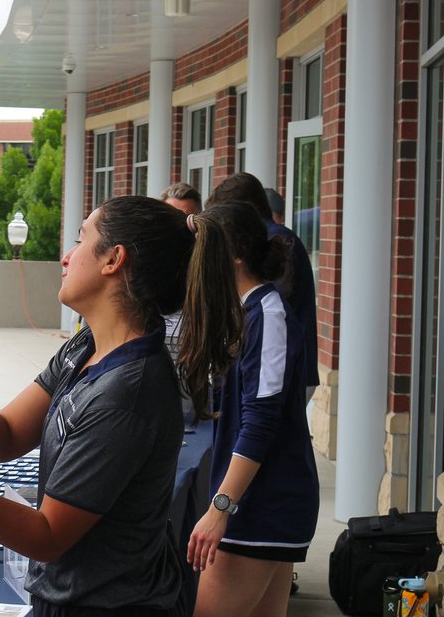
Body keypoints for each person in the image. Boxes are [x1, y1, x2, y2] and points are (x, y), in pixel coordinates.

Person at [0, 196, 243, 617]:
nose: (66, 257)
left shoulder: (127, 394)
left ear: (114, 259)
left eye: (80, 240)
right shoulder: (87, 346)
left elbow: (46, 536)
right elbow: (7, 435)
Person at [185, 203, 319, 617]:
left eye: (202, 248)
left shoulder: (268, 316)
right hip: (263, 504)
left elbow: (260, 424)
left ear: (235, 254)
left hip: (262, 506)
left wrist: (219, 509)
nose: (194, 260)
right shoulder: (250, 312)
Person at [207, 173, 318, 400]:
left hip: (283, 371)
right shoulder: (272, 237)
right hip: (274, 367)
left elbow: (267, 312)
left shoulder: (277, 240)